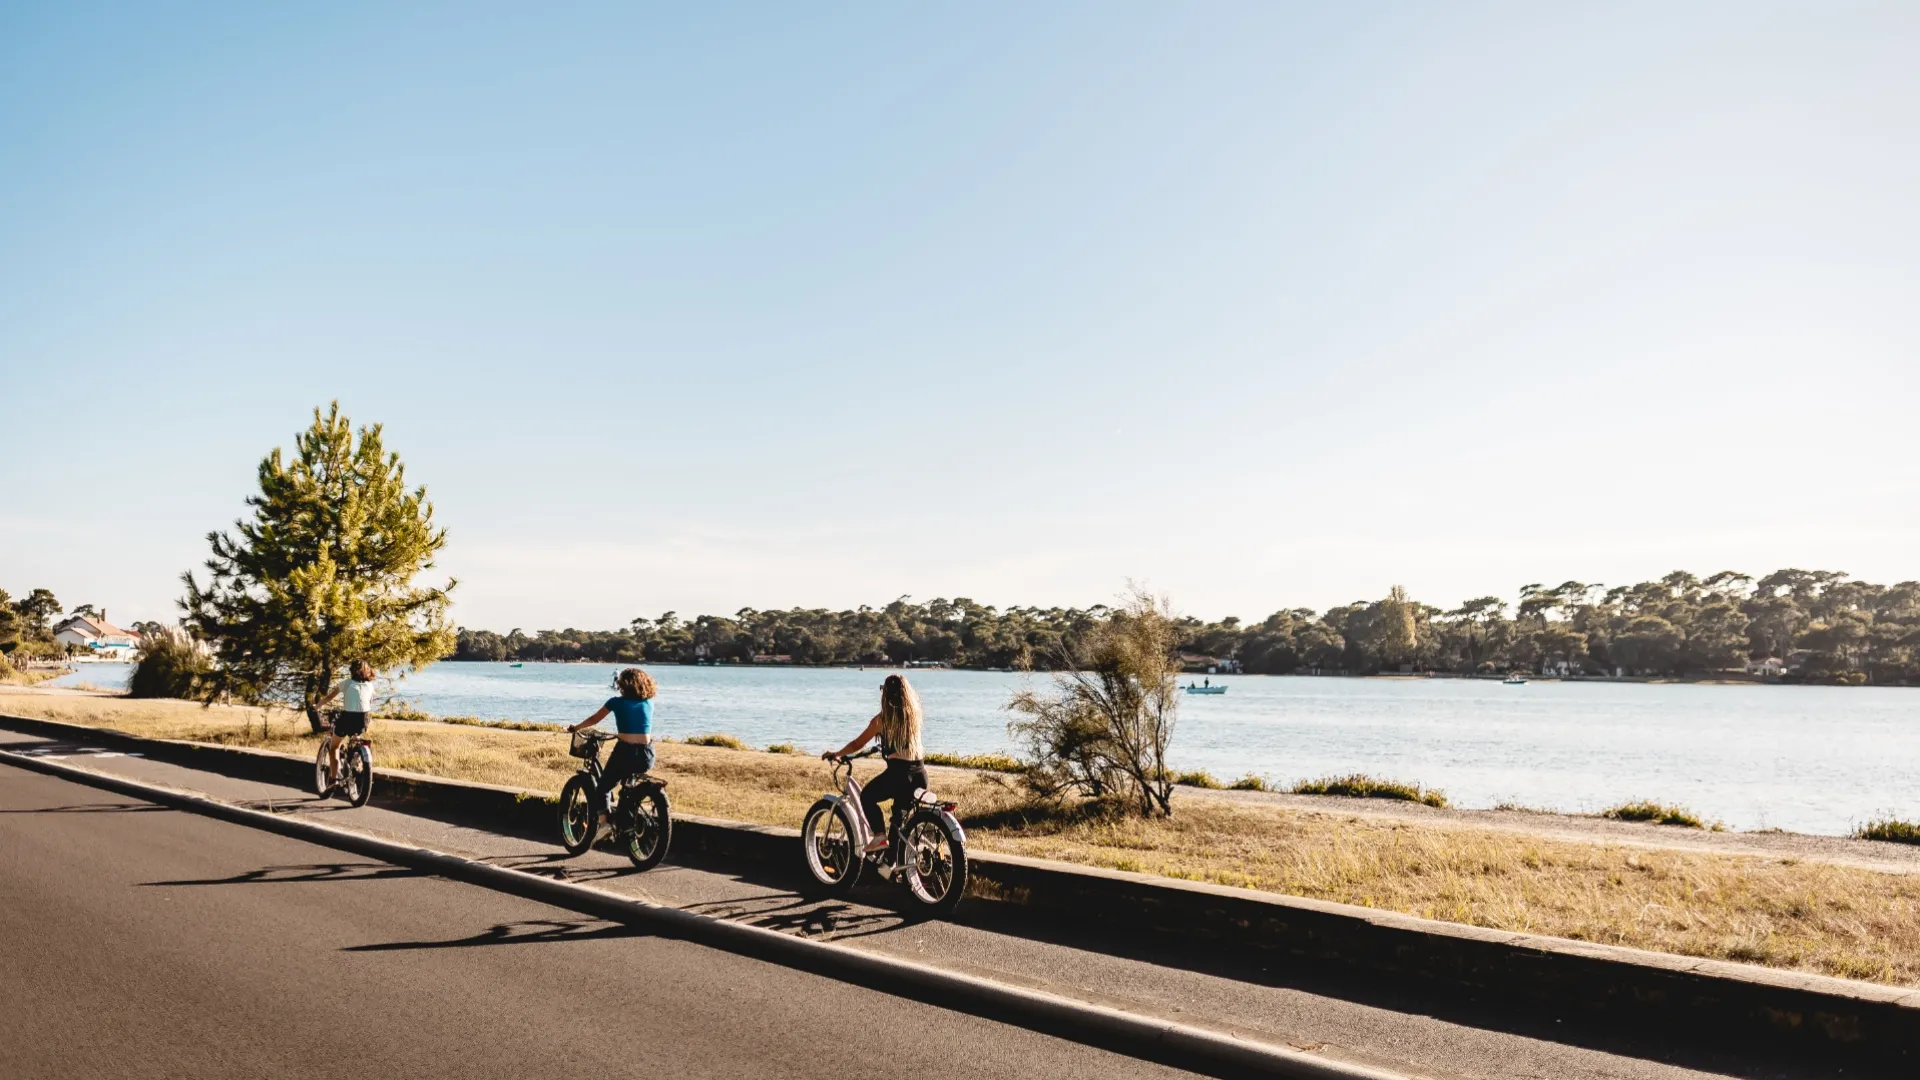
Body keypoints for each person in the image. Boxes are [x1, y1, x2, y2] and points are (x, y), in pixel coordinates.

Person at [823, 673, 927, 854]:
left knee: (868, 797)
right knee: (898, 822)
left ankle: (879, 836)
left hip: (899, 774)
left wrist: (837, 754)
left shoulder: (882, 720)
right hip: (920, 773)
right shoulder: (915, 713)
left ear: (885, 694)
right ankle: (895, 864)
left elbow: (857, 744)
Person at [568, 667, 657, 826]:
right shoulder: (649, 702)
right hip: (647, 753)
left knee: (603, 788)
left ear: (622, 685)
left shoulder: (615, 702)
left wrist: (576, 728)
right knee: (627, 787)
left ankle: (605, 824)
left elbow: (594, 719)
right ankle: (626, 820)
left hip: (626, 751)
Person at [318, 659, 376, 787]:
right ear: (367, 671)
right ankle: (356, 762)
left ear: (351, 670)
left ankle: (333, 779)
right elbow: (370, 702)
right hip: (363, 720)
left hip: (347, 718)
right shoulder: (371, 686)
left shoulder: (347, 683)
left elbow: (329, 697)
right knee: (356, 738)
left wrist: (317, 706)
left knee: (334, 747)